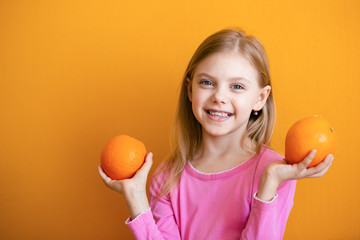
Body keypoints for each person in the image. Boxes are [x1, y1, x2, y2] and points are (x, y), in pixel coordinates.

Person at [98, 28, 334, 240]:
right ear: (190, 90)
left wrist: (269, 183)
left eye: (237, 86)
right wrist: (136, 198)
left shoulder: (275, 172)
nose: (219, 96)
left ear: (260, 99)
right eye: (207, 83)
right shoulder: (167, 179)